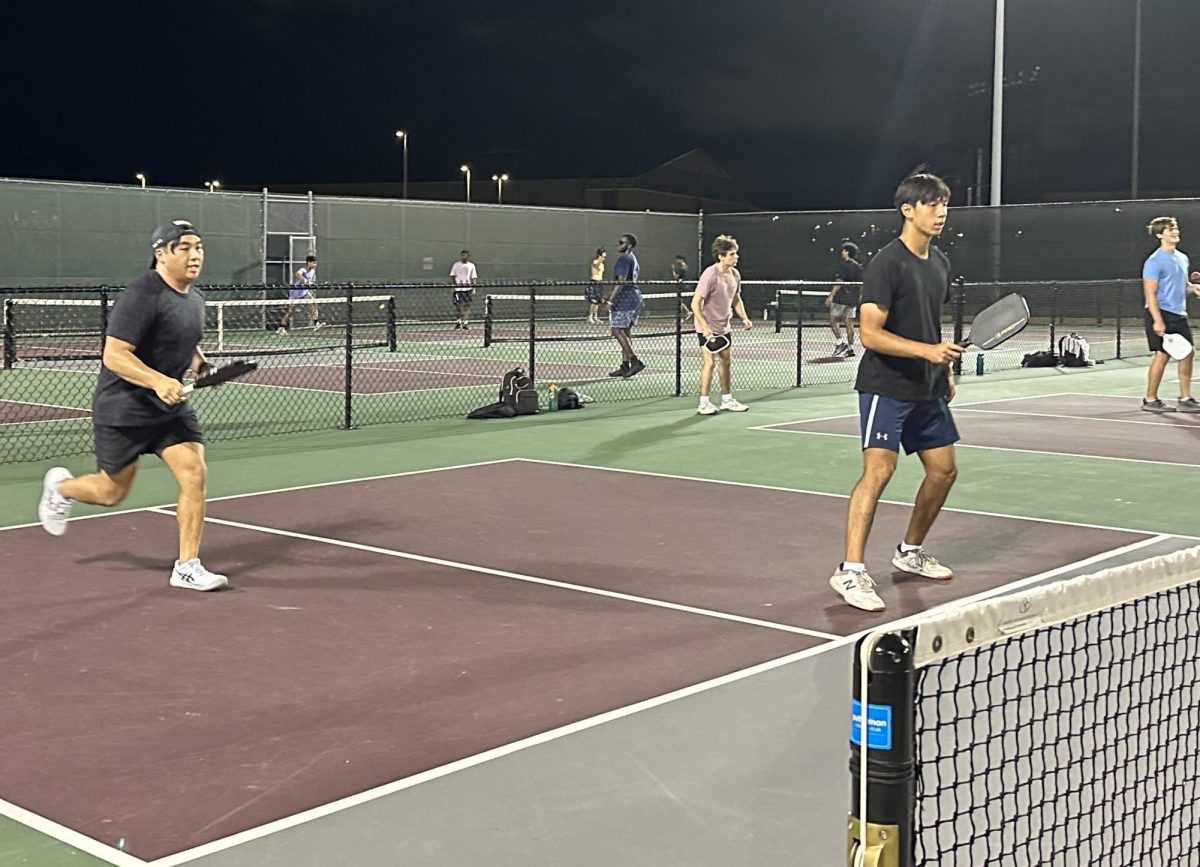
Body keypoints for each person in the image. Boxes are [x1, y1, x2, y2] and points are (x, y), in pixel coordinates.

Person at [36, 220, 228, 591]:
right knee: (110, 493)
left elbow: (182, 340)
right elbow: (114, 355)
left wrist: (200, 365)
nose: (195, 255)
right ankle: (61, 489)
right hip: (124, 409)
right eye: (184, 247)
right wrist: (158, 381)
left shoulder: (195, 300)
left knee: (194, 473)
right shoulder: (141, 295)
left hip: (169, 411)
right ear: (161, 254)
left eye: (199, 247)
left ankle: (187, 566)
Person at [829, 172, 964, 612]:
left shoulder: (939, 263)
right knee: (878, 473)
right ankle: (850, 571)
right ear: (908, 210)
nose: (940, 212)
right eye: (931, 204)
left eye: (944, 203)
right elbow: (870, 333)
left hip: (927, 386)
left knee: (943, 471)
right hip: (886, 386)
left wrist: (941, 368)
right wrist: (928, 352)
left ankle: (909, 551)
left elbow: (928, 324)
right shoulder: (886, 263)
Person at [1141, 216, 1200, 413]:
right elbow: (1150, 293)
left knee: (1188, 353)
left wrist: (1194, 288)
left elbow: (1181, 286)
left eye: (1175, 228)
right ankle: (1150, 399)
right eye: (1170, 229)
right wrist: (1157, 321)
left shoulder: (1182, 257)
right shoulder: (1154, 261)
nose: (1175, 231)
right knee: (1162, 355)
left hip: (1179, 313)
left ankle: (1185, 398)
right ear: (1160, 235)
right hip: (1160, 313)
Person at [691, 235, 753, 414]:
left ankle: (727, 400)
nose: (736, 257)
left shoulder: (735, 274)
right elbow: (695, 303)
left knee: (726, 361)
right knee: (709, 362)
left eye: (736, 253)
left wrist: (744, 318)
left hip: (723, 326)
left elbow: (736, 299)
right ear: (721, 256)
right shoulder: (709, 274)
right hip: (707, 326)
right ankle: (703, 403)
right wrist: (705, 328)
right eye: (732, 254)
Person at [605, 233, 646, 377]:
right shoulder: (633, 259)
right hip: (635, 299)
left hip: (626, 301)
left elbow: (621, 281)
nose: (618, 244)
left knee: (616, 330)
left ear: (628, 245)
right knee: (626, 332)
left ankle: (634, 361)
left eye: (621, 242)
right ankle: (625, 365)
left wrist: (611, 300)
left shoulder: (623, 258)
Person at [825, 241, 863, 357]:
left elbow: (839, 281)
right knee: (849, 323)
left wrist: (831, 296)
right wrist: (859, 297)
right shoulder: (858, 266)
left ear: (847, 252)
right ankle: (850, 348)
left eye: (843, 251)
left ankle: (840, 342)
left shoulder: (844, 265)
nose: (842, 253)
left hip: (841, 298)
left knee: (833, 320)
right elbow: (862, 284)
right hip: (852, 299)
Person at [279, 255, 321, 333]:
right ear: (309, 262)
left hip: (305, 292)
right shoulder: (303, 269)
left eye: (316, 263)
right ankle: (281, 327)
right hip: (296, 293)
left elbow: (309, 281)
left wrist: (309, 283)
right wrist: (304, 279)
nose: (315, 265)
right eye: (314, 263)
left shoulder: (313, 271)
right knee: (291, 311)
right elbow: (298, 274)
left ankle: (316, 323)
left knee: (313, 303)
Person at [450, 249, 478, 330]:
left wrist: (473, 288)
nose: (463, 257)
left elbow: (473, 278)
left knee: (467, 306)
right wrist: (453, 286)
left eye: (465, 255)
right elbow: (452, 276)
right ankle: (458, 322)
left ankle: (465, 322)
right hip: (458, 289)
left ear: (468, 256)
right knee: (458, 306)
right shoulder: (456, 265)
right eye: (462, 255)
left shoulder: (471, 265)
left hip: (467, 289)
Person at [587, 248, 606, 324]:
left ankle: (595, 317)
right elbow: (597, 266)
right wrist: (601, 258)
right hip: (594, 282)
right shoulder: (595, 261)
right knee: (593, 301)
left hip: (599, 282)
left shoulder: (603, 265)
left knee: (598, 301)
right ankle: (590, 316)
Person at [672, 254, 693, 320]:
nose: (676, 261)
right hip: (686, 286)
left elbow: (675, 277)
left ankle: (686, 313)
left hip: (683, 287)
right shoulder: (686, 267)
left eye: (677, 260)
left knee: (680, 301)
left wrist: (672, 270)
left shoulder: (682, 269)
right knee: (681, 301)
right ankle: (685, 313)